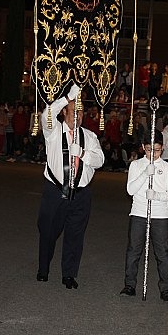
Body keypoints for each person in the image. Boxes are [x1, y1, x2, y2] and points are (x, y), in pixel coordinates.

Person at [36, 84, 105, 289]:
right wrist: (67, 98)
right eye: (74, 111)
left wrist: (83, 154)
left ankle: (69, 274)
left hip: (81, 194)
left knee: (75, 235)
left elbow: (100, 160)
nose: (78, 116)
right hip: (55, 191)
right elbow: (46, 114)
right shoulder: (54, 132)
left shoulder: (89, 136)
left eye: (81, 112)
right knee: (48, 231)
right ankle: (43, 268)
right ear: (65, 112)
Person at [120, 130, 168, 301]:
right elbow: (130, 190)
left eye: (157, 150)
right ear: (142, 148)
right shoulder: (136, 165)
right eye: (148, 150)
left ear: (163, 148)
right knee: (134, 250)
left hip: (160, 214)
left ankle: (165, 288)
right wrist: (146, 173)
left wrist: (157, 196)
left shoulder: (167, 168)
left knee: (162, 252)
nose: (152, 154)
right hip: (139, 212)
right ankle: (130, 285)